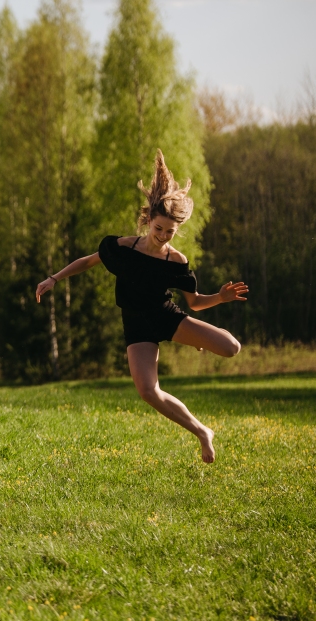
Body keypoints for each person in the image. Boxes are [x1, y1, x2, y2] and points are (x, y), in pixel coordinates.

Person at [35, 149, 248, 463]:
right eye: (158, 228)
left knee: (231, 347)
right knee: (148, 391)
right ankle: (202, 432)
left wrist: (220, 297)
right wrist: (54, 278)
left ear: (177, 231)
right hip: (136, 327)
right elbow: (88, 262)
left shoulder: (176, 261)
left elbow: (195, 302)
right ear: (149, 220)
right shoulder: (123, 248)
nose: (162, 236)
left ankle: (194, 341)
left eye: (169, 232)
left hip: (166, 318)